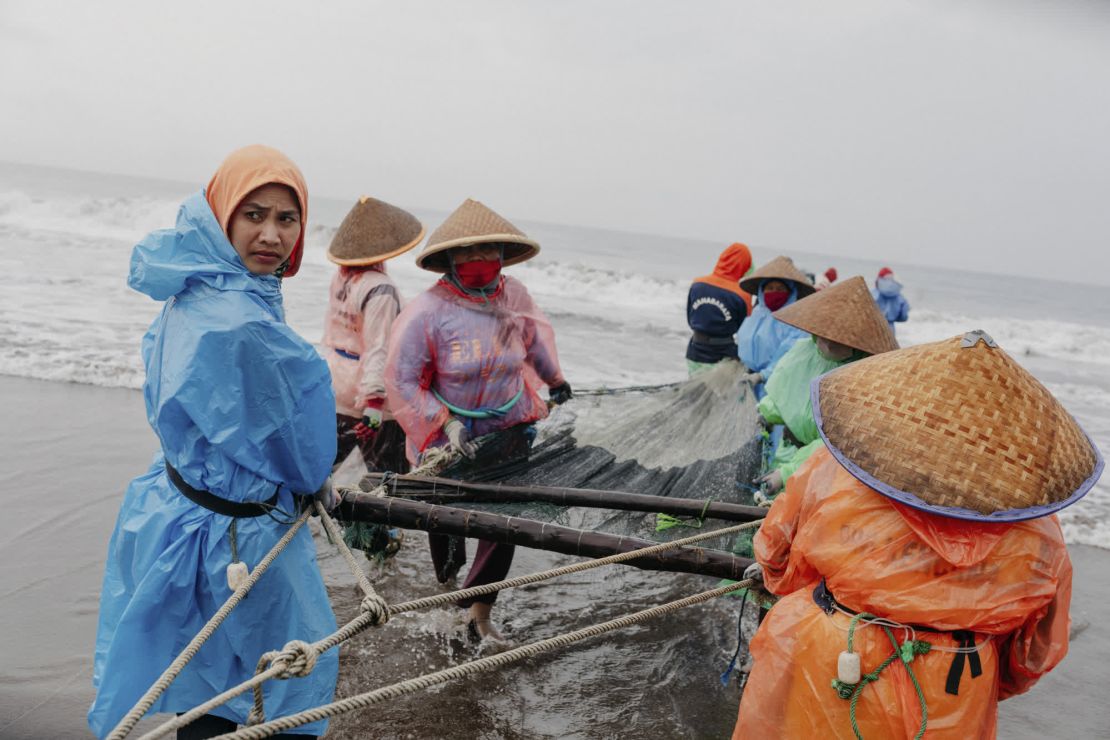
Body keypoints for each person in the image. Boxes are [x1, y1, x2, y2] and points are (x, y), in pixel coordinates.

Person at [734, 330, 1099, 738]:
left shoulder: (833, 471)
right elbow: (1032, 651)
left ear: (911, 410)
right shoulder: (1038, 528)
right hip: (956, 679)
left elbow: (777, 557)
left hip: (837, 655)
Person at [88, 146, 339, 740]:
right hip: (235, 532)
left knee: (197, 671)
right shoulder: (243, 321)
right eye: (254, 215)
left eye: (287, 218)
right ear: (221, 215)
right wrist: (314, 479)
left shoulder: (198, 286)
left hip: (175, 507)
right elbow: (302, 455)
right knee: (266, 684)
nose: (271, 235)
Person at [384, 198, 571, 643]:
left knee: (500, 526)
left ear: (503, 255)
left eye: (486, 251)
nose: (476, 260)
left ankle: (478, 612)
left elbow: (535, 342)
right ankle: (451, 588)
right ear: (448, 259)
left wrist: (556, 379)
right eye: (466, 252)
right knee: (446, 527)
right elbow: (403, 379)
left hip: (509, 434)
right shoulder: (427, 313)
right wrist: (444, 422)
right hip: (447, 442)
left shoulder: (515, 296)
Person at [753, 276, 898, 498]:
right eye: (824, 335)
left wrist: (788, 473)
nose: (829, 343)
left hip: (824, 473)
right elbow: (786, 392)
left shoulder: (865, 377)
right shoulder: (804, 352)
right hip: (787, 449)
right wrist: (765, 413)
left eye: (840, 339)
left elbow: (836, 445)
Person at [322, 196, 424, 475]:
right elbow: (378, 347)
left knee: (323, 467)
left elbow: (332, 334)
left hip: (337, 385)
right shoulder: (381, 289)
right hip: (369, 393)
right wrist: (375, 404)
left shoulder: (341, 278)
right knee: (389, 477)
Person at [735, 256, 815, 398]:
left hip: (777, 387)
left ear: (790, 293)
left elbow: (790, 357)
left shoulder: (795, 321)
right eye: (769, 288)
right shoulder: (757, 314)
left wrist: (762, 375)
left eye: (780, 289)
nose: (774, 292)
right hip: (748, 381)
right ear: (761, 291)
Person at [685, 242, 753, 376]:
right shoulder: (742, 295)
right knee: (719, 397)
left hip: (695, 351)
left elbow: (690, 318)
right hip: (723, 357)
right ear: (744, 265)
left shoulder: (697, 283)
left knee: (695, 395)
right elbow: (744, 330)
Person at [872, 266, 910, 334]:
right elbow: (904, 317)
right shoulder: (901, 298)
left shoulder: (871, 294)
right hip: (890, 330)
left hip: (872, 326)